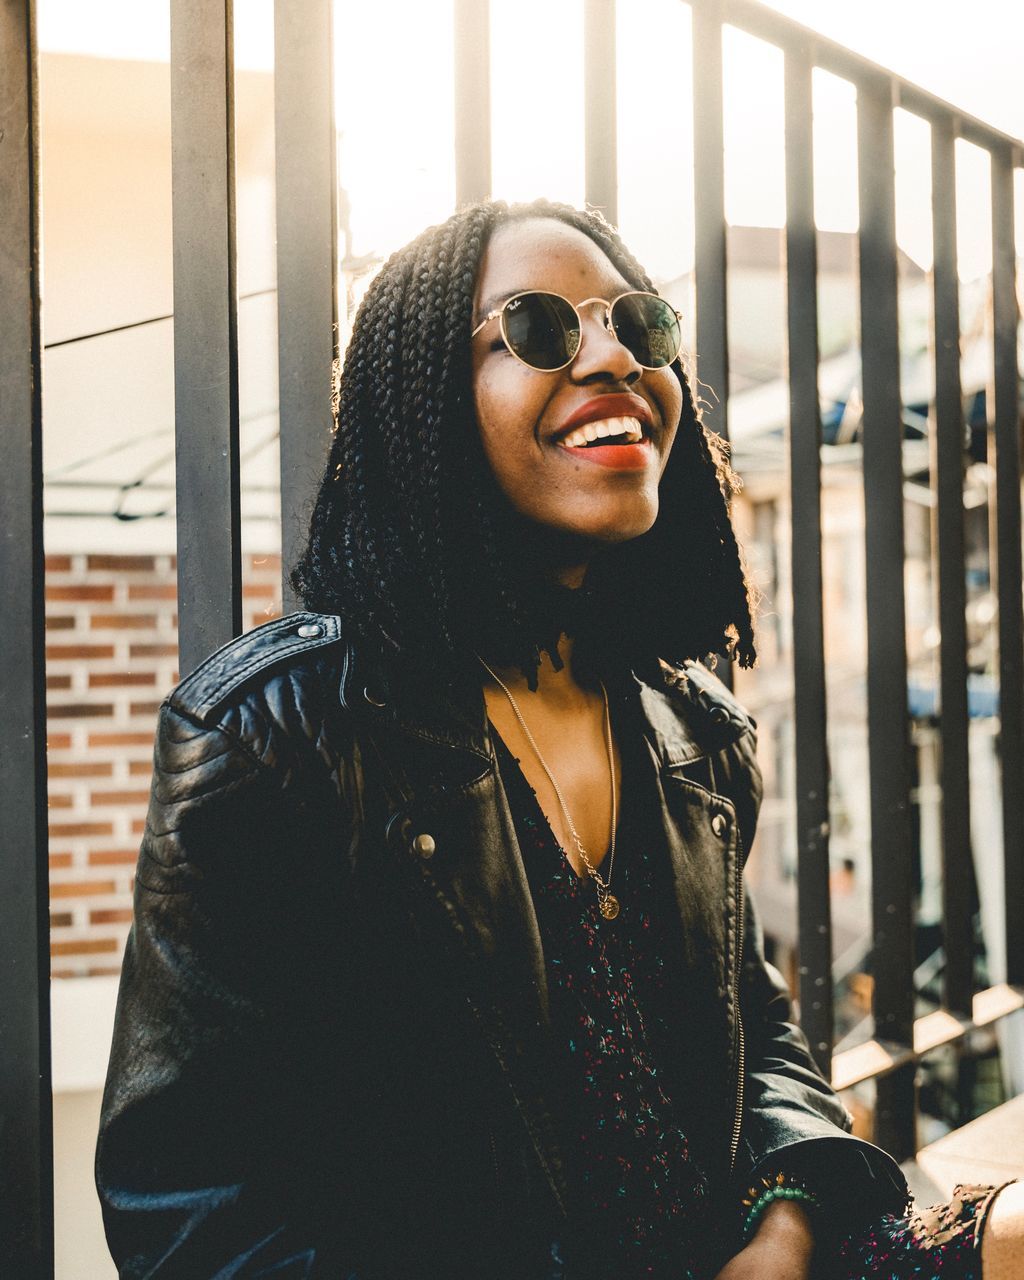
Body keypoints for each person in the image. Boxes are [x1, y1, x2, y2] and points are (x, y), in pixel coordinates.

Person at [95, 198, 1019, 1279]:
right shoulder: (278, 733)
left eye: (642, 324)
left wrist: (785, 1225)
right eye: (540, 328)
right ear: (426, 404)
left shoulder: (693, 729)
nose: (616, 357)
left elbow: (758, 1031)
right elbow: (185, 1200)